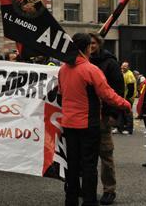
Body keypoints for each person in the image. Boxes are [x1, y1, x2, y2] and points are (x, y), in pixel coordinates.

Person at [58, 33, 131, 206]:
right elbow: (107, 94)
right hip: (88, 124)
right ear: (87, 48)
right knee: (89, 164)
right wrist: (125, 104)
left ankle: (71, 200)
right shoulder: (91, 69)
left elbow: (61, 95)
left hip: (69, 124)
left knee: (73, 164)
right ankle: (89, 201)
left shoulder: (63, 69)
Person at [89, 33, 124, 205]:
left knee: (106, 154)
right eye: (89, 43)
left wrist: (113, 114)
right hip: (84, 116)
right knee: (86, 156)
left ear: (99, 44)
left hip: (103, 116)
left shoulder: (110, 63)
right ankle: (87, 189)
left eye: (94, 43)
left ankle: (109, 190)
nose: (91, 46)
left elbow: (118, 89)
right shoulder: (82, 61)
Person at [114, 61, 136, 135]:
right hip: (123, 97)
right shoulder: (123, 73)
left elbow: (131, 88)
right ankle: (119, 127)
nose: (123, 67)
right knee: (120, 112)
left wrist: (128, 98)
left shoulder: (129, 74)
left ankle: (129, 129)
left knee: (127, 113)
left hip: (128, 97)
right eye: (122, 66)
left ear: (128, 67)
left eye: (125, 66)